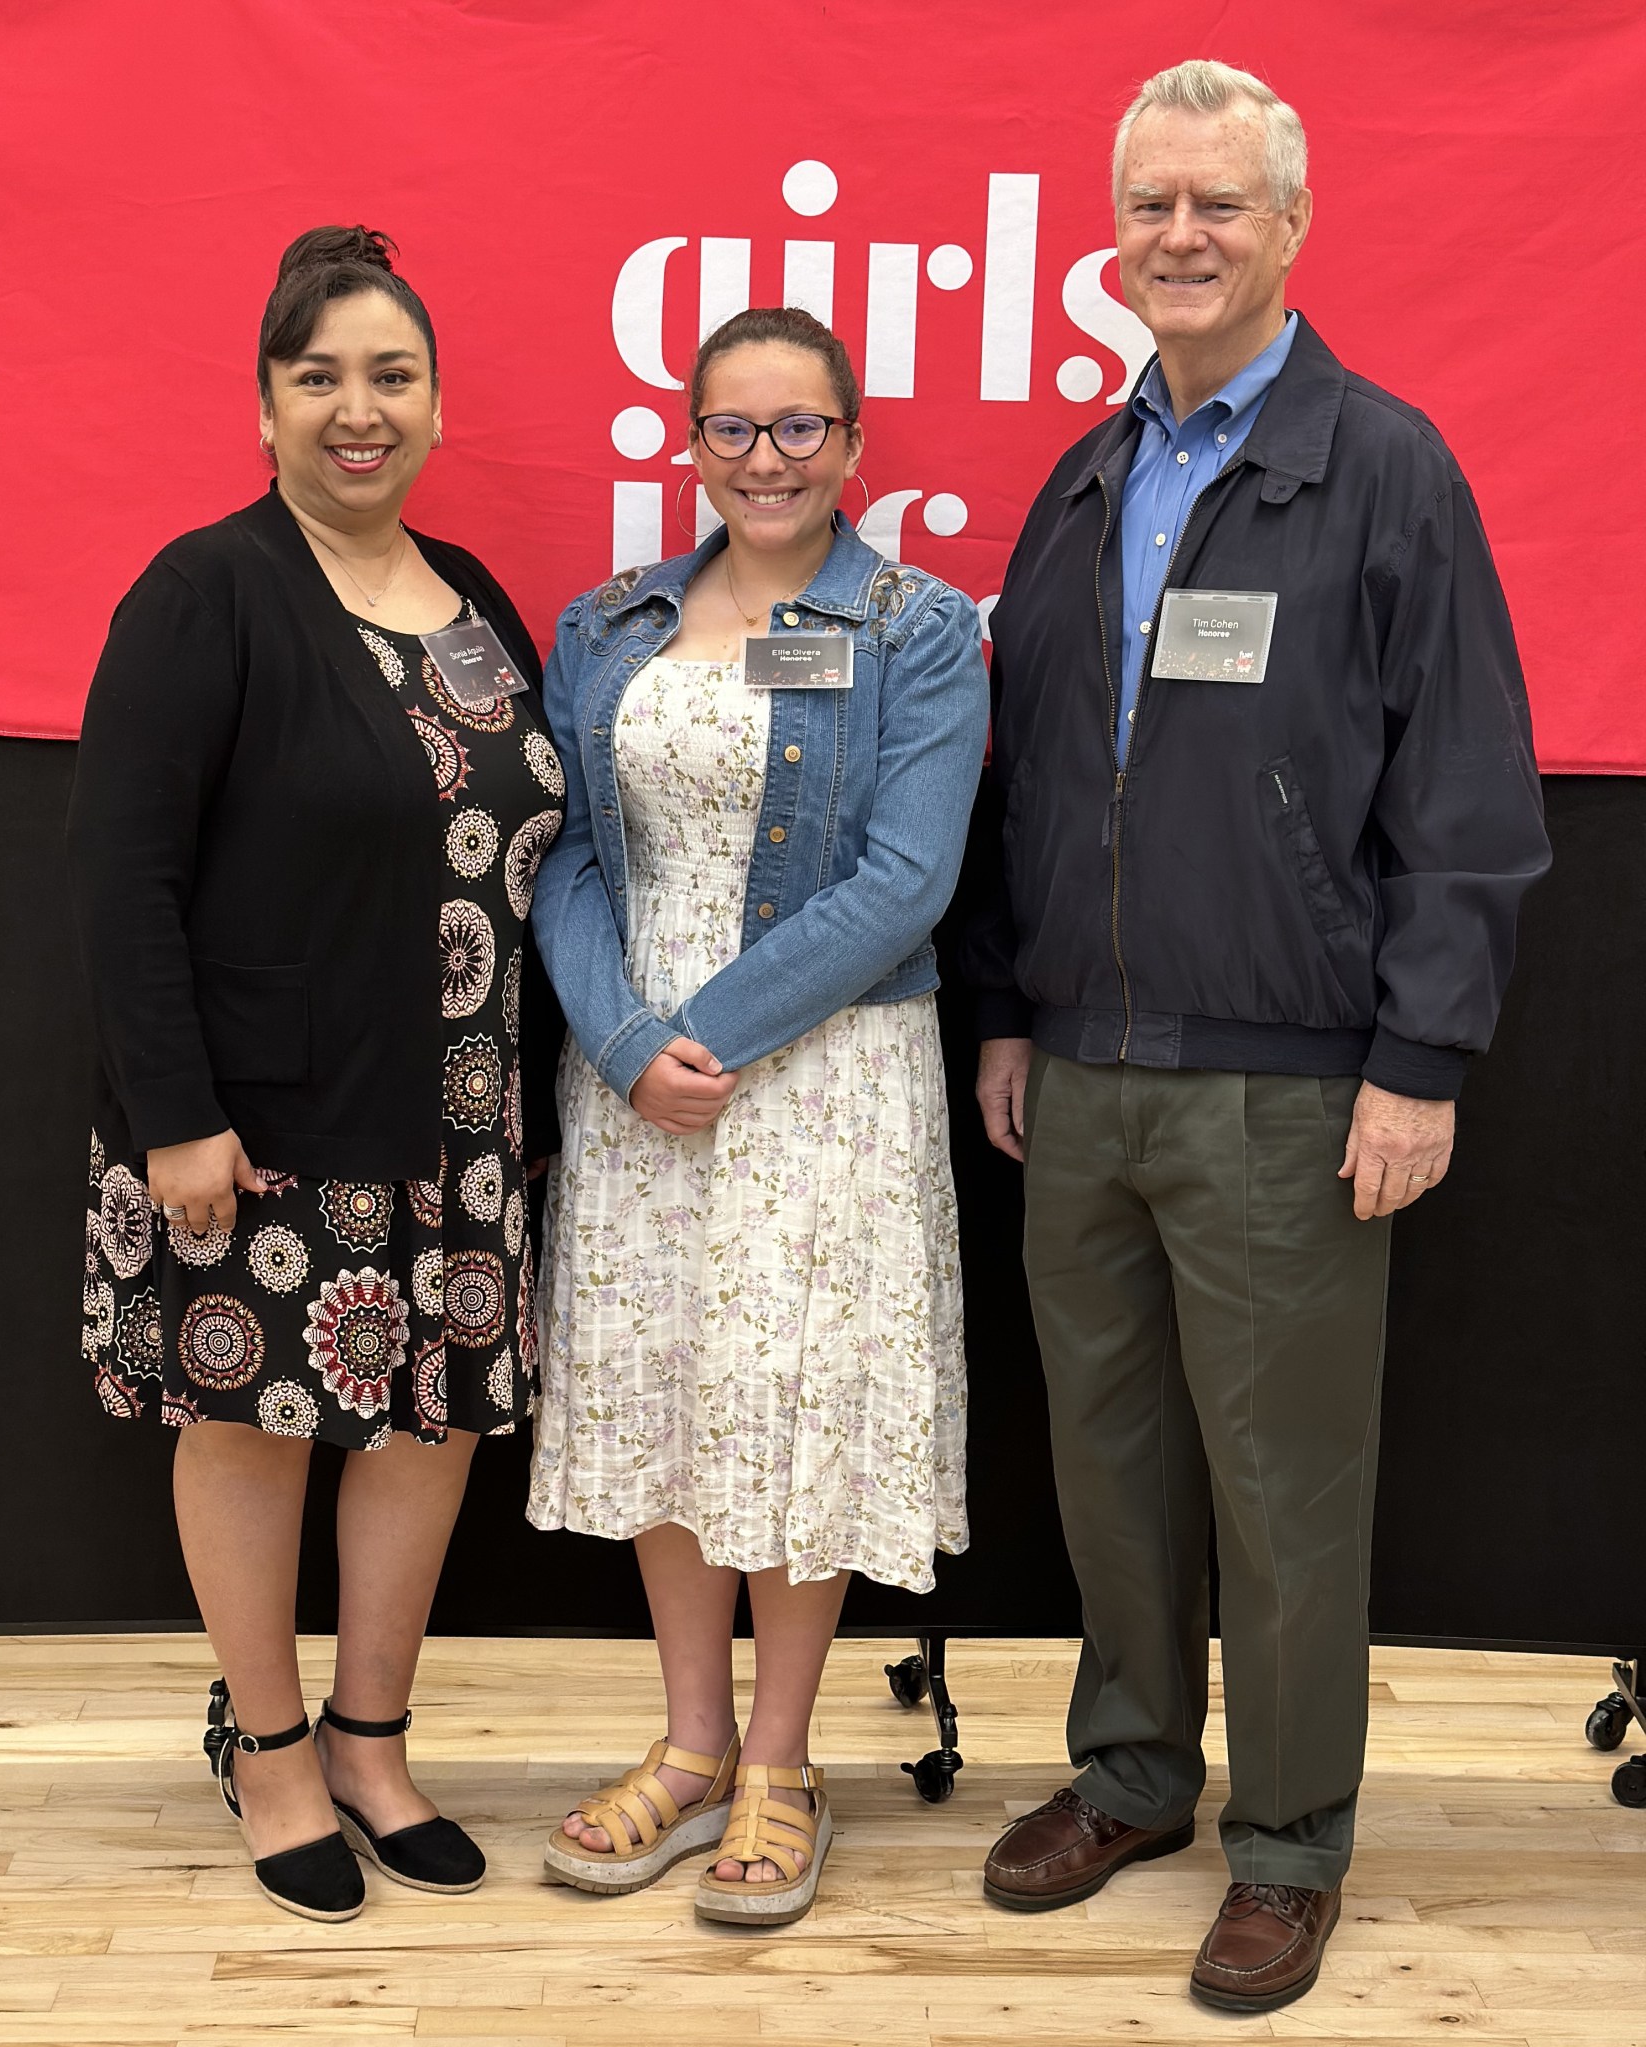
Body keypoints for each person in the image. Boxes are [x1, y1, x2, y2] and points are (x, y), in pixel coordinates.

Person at [963, 62, 1550, 2012]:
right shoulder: (1081, 479)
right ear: (1112, 232)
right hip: (1083, 1072)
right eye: (1149, 203)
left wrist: (1420, 1058)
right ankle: (1134, 1775)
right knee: (1110, 1462)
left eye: (1218, 202)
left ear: (1290, 226)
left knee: (1285, 1485)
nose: (1180, 235)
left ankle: (1288, 1841)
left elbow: (1466, 795)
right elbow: (1037, 785)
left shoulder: (1382, 467)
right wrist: (1012, 1011)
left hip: (1288, 1080)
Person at [68, 226, 566, 1922]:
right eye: (320, 376)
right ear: (267, 404)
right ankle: (271, 1752)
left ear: (435, 401)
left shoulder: (474, 594)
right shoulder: (206, 591)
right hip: (267, 1118)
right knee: (256, 1426)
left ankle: (370, 1742)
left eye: (392, 375)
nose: (361, 409)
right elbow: (121, 879)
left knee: (430, 1424)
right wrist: (174, 1119)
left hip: (467, 1112)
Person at [529, 306, 987, 1925]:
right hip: (635, 1078)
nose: (767, 459)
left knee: (793, 1400)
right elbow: (567, 854)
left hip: (822, 1075)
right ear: (692, 443)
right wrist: (622, 1041)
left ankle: (784, 1766)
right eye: (733, 426)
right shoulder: (607, 624)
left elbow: (908, 880)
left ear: (853, 445)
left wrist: (700, 1039)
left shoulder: (920, 629)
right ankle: (693, 1745)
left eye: (801, 427)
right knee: (669, 1388)